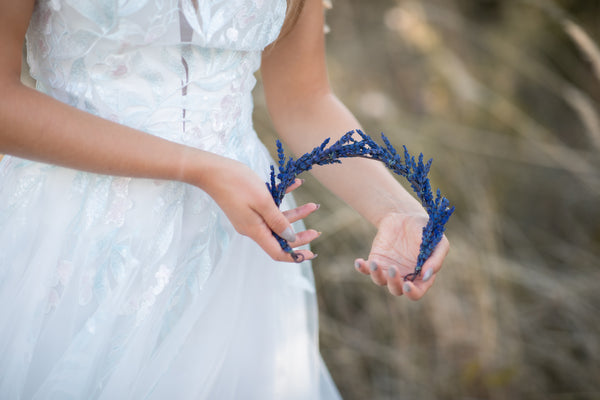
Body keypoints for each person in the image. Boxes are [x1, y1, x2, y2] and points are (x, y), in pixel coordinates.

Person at [0, 0, 449, 398]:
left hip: (236, 246)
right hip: (72, 241)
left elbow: (304, 99)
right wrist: (197, 167)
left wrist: (396, 208)